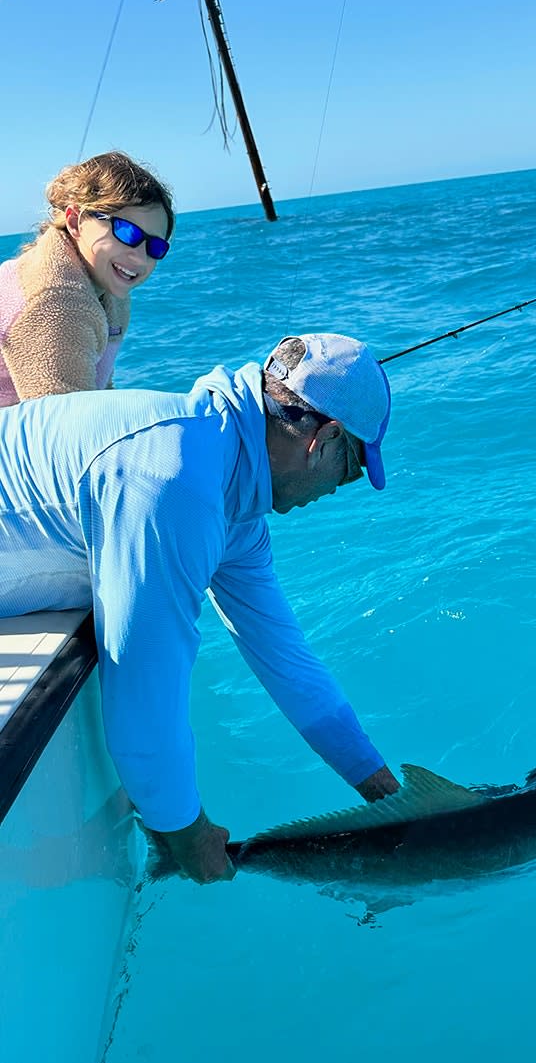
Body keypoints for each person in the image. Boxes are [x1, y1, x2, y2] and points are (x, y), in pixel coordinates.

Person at [0, 332, 400, 882]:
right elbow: (143, 685)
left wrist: (388, 795)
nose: (339, 488)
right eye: (352, 470)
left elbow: (287, 660)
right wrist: (185, 831)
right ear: (325, 440)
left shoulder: (230, 493)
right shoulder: (175, 484)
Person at [0, 150, 174, 406]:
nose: (140, 257)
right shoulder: (56, 305)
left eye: (155, 246)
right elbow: (66, 431)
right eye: (126, 232)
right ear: (74, 221)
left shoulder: (109, 289)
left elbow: (98, 390)